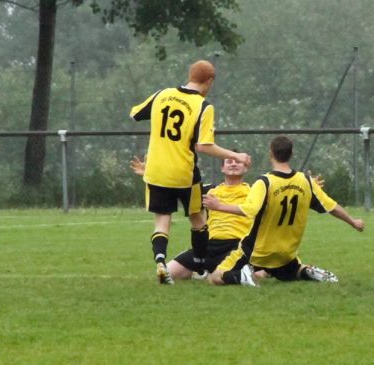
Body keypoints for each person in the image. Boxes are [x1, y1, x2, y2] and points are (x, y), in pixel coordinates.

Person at [129, 59, 251, 285]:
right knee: (197, 219)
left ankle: (160, 262)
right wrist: (236, 156)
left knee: (162, 221)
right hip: (183, 173)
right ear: (209, 81)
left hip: (155, 171)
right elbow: (204, 146)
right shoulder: (203, 106)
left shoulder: (162, 94)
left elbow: (135, 114)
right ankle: (201, 263)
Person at [131, 155, 332, 284]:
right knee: (169, 274)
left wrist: (309, 185)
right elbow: (177, 190)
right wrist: (148, 174)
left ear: (246, 168)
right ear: (222, 169)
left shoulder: (256, 189)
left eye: (238, 162)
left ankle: (236, 273)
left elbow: (284, 194)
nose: (233, 163)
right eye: (229, 161)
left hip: (237, 246)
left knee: (254, 274)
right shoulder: (209, 190)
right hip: (209, 245)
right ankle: (208, 273)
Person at [204, 135, 364, 286]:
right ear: (291, 154)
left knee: (215, 277)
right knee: (292, 272)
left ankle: (240, 276)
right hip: (286, 253)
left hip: (257, 251)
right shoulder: (306, 181)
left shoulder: (265, 182)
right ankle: (306, 271)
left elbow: (249, 210)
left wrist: (219, 206)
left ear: (271, 154)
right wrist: (353, 222)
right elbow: (332, 206)